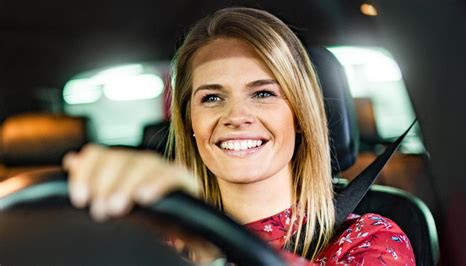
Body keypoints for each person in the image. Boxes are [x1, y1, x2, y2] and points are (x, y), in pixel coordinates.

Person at [63, 7, 415, 265]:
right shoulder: (147, 241)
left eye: (263, 93)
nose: (235, 117)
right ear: (189, 122)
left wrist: (213, 250)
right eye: (212, 98)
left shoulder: (370, 239)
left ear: (299, 116)